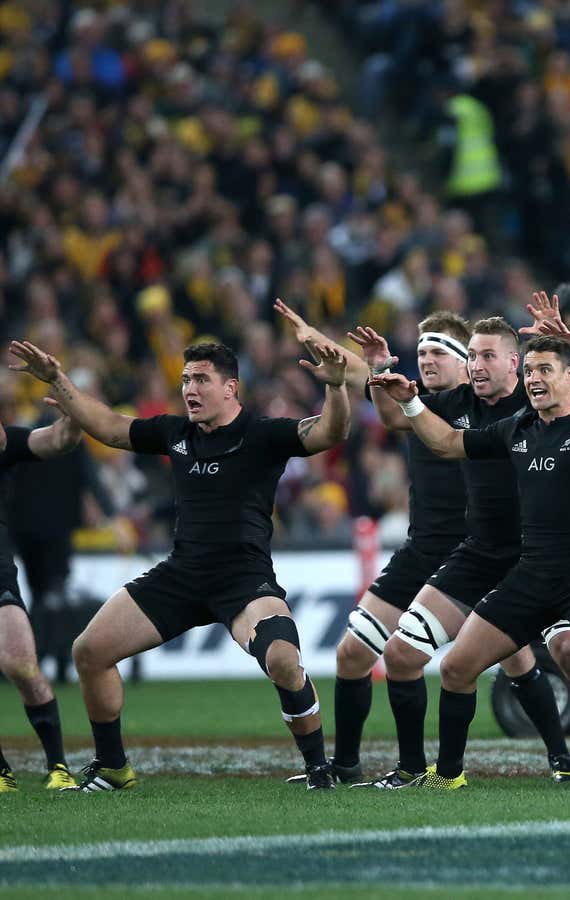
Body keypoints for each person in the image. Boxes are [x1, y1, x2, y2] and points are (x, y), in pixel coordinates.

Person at [9, 335, 350, 790]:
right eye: (186, 379)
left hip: (243, 582)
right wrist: (57, 380)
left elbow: (330, 432)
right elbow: (110, 427)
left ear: (230, 388)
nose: (189, 388)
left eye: (201, 380)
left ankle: (317, 767)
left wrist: (336, 388)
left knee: (285, 661)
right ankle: (113, 766)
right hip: (182, 576)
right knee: (89, 652)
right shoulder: (176, 434)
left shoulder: (263, 434)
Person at [370, 336, 570, 790]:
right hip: (531, 573)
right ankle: (449, 775)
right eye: (530, 371)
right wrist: (414, 405)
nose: (534, 379)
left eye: (545, 370)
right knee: (456, 669)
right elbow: (449, 443)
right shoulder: (517, 428)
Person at [352, 316, 570, 788]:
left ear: (516, 363)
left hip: (540, 556)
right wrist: (378, 373)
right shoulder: (456, 403)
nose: (476, 366)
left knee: (566, 653)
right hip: (480, 551)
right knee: (402, 654)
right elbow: (396, 416)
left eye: (486, 356)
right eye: (471, 356)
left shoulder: (539, 394)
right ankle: (413, 769)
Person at [0, 403, 85, 792]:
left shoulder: (10, 442)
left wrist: (72, 408)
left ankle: (58, 766)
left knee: (22, 666)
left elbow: (58, 440)